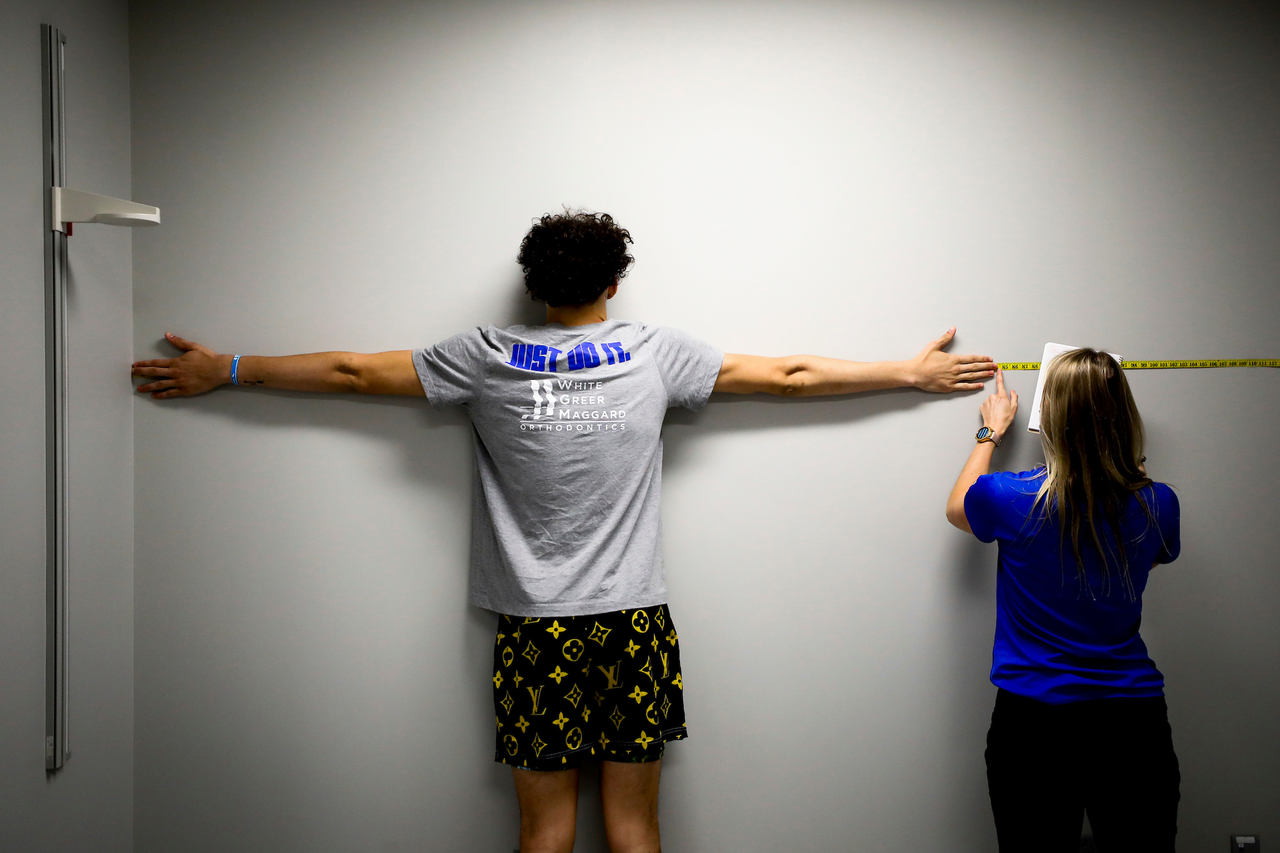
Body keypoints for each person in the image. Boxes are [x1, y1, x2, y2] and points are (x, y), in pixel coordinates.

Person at [133, 210, 996, 853]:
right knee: (634, 834)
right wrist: (907, 372)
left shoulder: (484, 356)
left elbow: (354, 371)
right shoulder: (655, 352)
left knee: (544, 839)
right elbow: (793, 376)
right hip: (632, 622)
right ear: (613, 283)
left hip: (532, 629)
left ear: (537, 287)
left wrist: (229, 369)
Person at [945, 352, 1182, 852]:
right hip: (1132, 723)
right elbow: (1150, 561)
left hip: (1034, 724)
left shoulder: (1010, 497)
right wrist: (1129, 479)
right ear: (1124, 415)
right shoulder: (1158, 501)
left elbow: (957, 508)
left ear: (1048, 418)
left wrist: (989, 433)